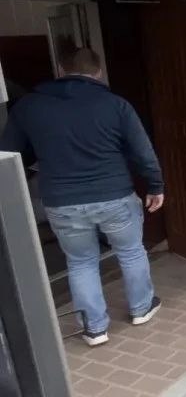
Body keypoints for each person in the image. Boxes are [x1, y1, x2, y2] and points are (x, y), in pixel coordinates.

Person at [0, 48, 164, 347]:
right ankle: (141, 309)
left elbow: (9, 154)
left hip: (62, 200)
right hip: (114, 195)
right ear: (98, 72)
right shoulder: (115, 104)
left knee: (80, 262)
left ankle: (94, 329)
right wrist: (155, 186)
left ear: (60, 70)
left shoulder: (29, 106)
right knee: (131, 252)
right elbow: (143, 151)